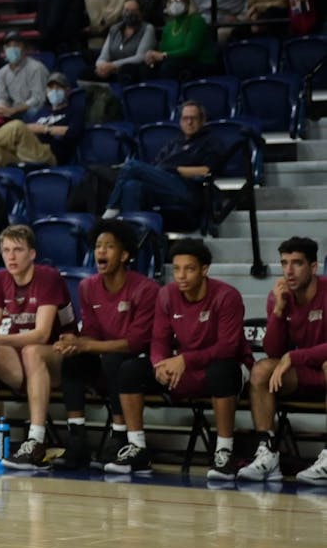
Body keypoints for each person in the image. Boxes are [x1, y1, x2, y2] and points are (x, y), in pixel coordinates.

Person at [115, 239, 249, 480]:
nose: (181, 275)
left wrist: (185, 359)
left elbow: (228, 348)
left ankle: (224, 451)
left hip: (228, 368)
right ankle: (138, 448)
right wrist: (159, 363)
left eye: (189, 268)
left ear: (205, 269)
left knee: (222, 370)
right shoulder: (166, 294)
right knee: (130, 369)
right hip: (184, 369)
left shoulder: (227, 296)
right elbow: (158, 340)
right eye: (176, 269)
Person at [0, 226, 76, 469]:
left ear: (32, 254)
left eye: (18, 250)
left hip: (60, 358)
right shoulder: (0, 279)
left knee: (32, 351)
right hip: (21, 364)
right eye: (6, 250)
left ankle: (36, 441)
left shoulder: (48, 277)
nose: (11, 256)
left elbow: (41, 335)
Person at [53, 221, 158, 471]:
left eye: (109, 247)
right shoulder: (87, 287)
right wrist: (76, 343)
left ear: (124, 255)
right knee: (72, 359)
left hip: (141, 364)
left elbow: (135, 343)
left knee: (115, 361)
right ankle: (77, 439)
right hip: (104, 359)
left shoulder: (146, 289)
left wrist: (87, 346)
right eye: (99, 246)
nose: (101, 251)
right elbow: (91, 333)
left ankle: (119, 437)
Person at [238, 237, 327, 483]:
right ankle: (267, 453)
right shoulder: (278, 297)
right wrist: (277, 312)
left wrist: (294, 356)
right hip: (301, 376)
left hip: (322, 371)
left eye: (297, 263)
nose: (289, 271)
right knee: (261, 369)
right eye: (284, 263)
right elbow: (273, 350)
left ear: (313, 267)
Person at [102, 101, 222, 219]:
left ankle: (112, 208)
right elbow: (157, 166)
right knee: (131, 186)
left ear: (202, 120)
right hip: (164, 187)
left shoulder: (210, 142)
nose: (189, 122)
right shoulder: (174, 143)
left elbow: (206, 170)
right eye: (185, 118)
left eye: (193, 118)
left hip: (189, 189)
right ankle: (134, 231)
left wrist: (176, 169)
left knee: (132, 165)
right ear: (180, 121)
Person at [0, 71, 82, 170]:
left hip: (49, 154)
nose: (53, 91)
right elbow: (29, 129)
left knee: (17, 125)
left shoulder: (74, 111)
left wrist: (44, 129)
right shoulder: (43, 111)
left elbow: (73, 132)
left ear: (68, 91)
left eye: (58, 88)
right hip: (26, 151)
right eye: (50, 88)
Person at [143, 0, 215, 81]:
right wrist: (153, 56)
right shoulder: (169, 25)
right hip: (175, 61)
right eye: (172, 1)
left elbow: (191, 50)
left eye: (179, 0)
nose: (175, 4)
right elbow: (163, 49)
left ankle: (172, 93)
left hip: (200, 63)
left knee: (168, 67)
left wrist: (164, 55)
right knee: (146, 67)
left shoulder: (196, 21)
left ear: (189, 4)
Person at [93, 0, 157, 84]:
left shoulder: (147, 28)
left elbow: (140, 57)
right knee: (87, 73)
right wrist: (101, 66)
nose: (129, 13)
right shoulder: (114, 29)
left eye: (134, 11)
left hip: (133, 70)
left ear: (141, 12)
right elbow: (103, 56)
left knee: (126, 71)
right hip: (110, 69)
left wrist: (113, 65)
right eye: (126, 10)